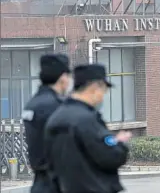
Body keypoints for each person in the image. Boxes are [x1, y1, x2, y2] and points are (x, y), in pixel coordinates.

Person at [45, 64, 132, 193]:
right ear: (95, 87)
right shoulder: (87, 120)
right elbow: (111, 156)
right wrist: (118, 143)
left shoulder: (55, 117)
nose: (103, 96)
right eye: (103, 90)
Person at [22, 54, 72, 193]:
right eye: (68, 76)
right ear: (62, 77)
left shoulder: (32, 104)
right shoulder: (56, 106)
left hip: (39, 182)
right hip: (58, 184)